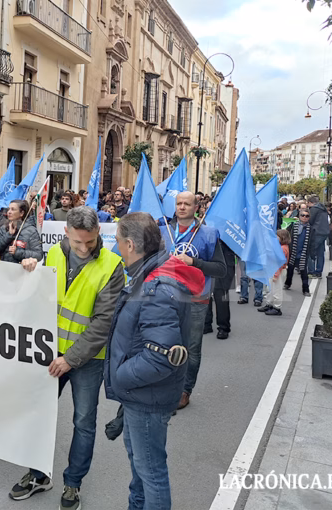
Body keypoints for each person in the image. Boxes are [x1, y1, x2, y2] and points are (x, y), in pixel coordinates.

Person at [9, 206, 125, 510]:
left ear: (99, 232)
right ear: (66, 234)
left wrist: (70, 359)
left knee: (84, 423)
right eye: (77, 243)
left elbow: (103, 324)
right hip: (50, 353)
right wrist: (30, 269)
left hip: (87, 358)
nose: (84, 248)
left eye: (89, 241)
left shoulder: (113, 266)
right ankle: (38, 474)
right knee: (39, 415)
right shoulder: (54, 254)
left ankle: (73, 483)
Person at [105, 212, 204, 510]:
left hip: (146, 396)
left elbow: (160, 358)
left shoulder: (156, 288)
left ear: (132, 245)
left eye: (119, 242)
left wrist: (120, 376)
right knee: (141, 469)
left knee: (150, 473)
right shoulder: (151, 275)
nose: (117, 248)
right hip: (143, 393)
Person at [161, 191, 226, 410]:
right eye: (178, 203)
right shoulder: (163, 231)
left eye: (186, 204)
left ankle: (185, 389)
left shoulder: (207, 233)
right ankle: (167, 384)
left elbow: (220, 269)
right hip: (165, 297)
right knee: (163, 341)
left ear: (196, 207)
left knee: (191, 347)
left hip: (196, 299)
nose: (181, 207)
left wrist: (193, 261)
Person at [204, 242, 236, 339]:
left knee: (221, 294)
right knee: (206, 292)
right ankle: (206, 323)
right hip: (210, 261)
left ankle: (223, 327)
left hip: (226, 260)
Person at [259, 230, 291, 316]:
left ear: (282, 237)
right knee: (271, 289)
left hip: (278, 271)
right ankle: (269, 304)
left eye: (277, 236)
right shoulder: (281, 247)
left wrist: (276, 275)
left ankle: (277, 307)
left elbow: (279, 263)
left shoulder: (283, 248)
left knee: (277, 290)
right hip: (274, 269)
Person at [284, 209, 312, 297]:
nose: (304, 217)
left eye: (307, 216)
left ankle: (306, 289)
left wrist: (311, 252)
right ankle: (287, 283)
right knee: (290, 270)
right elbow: (287, 236)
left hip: (303, 253)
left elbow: (312, 241)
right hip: (293, 251)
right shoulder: (294, 226)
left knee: (303, 272)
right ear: (299, 216)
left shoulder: (310, 229)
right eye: (303, 215)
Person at [306, 195, 329, 278]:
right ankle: (319, 271)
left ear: (310, 202)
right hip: (324, 232)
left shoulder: (314, 209)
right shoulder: (323, 209)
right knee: (320, 253)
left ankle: (311, 271)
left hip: (317, 232)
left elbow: (310, 221)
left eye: (307, 203)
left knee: (309, 251)